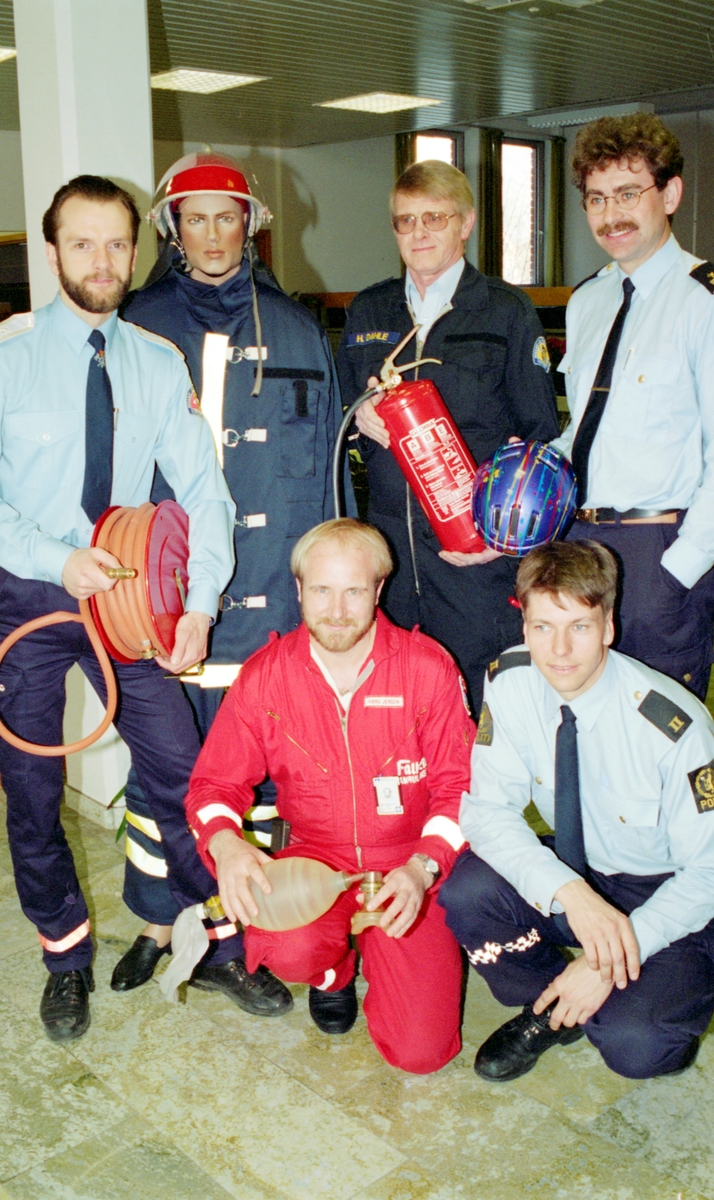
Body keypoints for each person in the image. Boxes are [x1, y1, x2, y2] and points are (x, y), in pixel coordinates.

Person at [0, 175, 290, 1041]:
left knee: (183, 769)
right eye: (82, 243)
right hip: (25, 594)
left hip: (125, 599)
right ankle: (65, 955)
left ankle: (223, 944)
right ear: (51, 252)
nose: (102, 260)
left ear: (136, 250)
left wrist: (199, 602)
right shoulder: (9, 356)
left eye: (116, 244)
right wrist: (57, 560)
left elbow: (204, 494)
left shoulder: (154, 363)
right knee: (30, 787)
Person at [110, 153, 352, 992]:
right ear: (172, 229)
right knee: (159, 769)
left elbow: (327, 474)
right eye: (195, 218)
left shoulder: (294, 329)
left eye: (228, 217)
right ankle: (153, 918)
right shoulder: (135, 326)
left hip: (267, 605)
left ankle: (228, 933)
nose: (213, 234)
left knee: (253, 779)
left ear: (250, 224)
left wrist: (329, 588)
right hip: (164, 596)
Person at [184, 518, 474, 1073]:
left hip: (405, 867)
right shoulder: (265, 676)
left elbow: (460, 788)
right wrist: (226, 844)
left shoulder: (428, 669)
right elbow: (213, 786)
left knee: (421, 1054)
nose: (337, 610)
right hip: (315, 859)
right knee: (286, 947)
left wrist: (423, 867)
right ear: (298, 590)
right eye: (321, 590)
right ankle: (332, 968)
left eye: (353, 591)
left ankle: (390, 951)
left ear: (379, 590)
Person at [440, 540, 714, 1082]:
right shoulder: (511, 681)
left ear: (609, 626)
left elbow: (707, 873)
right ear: (524, 628)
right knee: (469, 893)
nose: (559, 650)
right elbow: (487, 811)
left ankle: (632, 993)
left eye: (580, 627)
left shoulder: (673, 727)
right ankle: (551, 1009)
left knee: (639, 1044)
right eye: (543, 627)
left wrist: (603, 962)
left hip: (663, 890)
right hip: (577, 875)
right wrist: (570, 893)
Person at [336, 159, 559, 712]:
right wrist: (360, 414)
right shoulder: (369, 308)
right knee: (398, 706)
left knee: (484, 714)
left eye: (433, 218)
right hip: (391, 555)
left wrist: (499, 541)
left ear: (466, 223)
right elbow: (339, 414)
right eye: (404, 221)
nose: (418, 233)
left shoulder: (505, 312)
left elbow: (539, 440)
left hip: (474, 559)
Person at [553, 112, 714, 700]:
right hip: (582, 546)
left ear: (669, 194)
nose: (610, 215)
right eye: (595, 199)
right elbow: (587, 431)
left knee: (663, 735)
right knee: (589, 724)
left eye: (627, 193)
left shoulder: (704, 302)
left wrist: (680, 569)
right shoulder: (588, 301)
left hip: (660, 551)